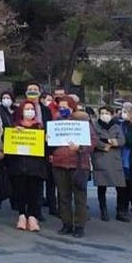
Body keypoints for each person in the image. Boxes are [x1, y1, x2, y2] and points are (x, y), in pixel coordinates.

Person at [50, 97, 97, 238]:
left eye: (66, 106)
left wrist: (80, 147)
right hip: (59, 163)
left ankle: (79, 226)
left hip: (78, 164)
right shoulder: (55, 122)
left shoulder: (83, 123)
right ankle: (66, 224)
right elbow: (51, 144)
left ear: (72, 107)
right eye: (60, 107)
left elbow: (93, 141)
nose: (62, 109)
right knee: (63, 196)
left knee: (79, 197)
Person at [6, 101, 48, 231]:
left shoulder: (40, 127)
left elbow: (46, 149)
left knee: (34, 193)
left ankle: (33, 217)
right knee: (20, 192)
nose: (29, 111)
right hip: (18, 166)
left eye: (31, 109)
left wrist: (46, 140)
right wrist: (15, 132)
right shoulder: (14, 126)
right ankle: (22, 216)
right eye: (26, 109)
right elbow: (8, 143)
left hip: (36, 166)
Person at [92, 106, 127, 222]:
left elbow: (122, 140)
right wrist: (104, 145)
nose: (104, 115)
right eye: (102, 113)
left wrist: (110, 141)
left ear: (112, 114)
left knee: (120, 187)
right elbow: (94, 140)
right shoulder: (94, 126)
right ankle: (103, 210)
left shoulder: (117, 126)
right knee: (102, 187)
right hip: (101, 158)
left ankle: (120, 211)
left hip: (115, 160)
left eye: (107, 113)